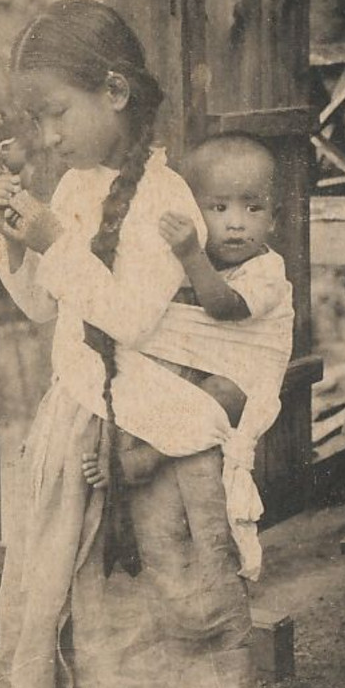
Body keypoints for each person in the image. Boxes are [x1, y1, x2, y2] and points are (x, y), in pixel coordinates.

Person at [0, 0, 264, 688]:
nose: (46, 134)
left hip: (152, 431)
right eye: (36, 118)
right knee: (97, 603)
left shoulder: (165, 198)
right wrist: (19, 239)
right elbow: (45, 304)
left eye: (54, 112)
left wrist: (56, 245)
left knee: (165, 598)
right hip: (82, 416)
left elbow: (131, 317)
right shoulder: (73, 188)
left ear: (114, 92)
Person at [80, 132, 294, 492]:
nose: (236, 223)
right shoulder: (184, 262)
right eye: (219, 208)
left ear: (274, 218)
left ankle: (148, 458)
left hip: (243, 376)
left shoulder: (267, 271)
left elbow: (224, 307)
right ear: (194, 212)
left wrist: (191, 254)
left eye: (253, 208)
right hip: (191, 369)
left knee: (224, 395)